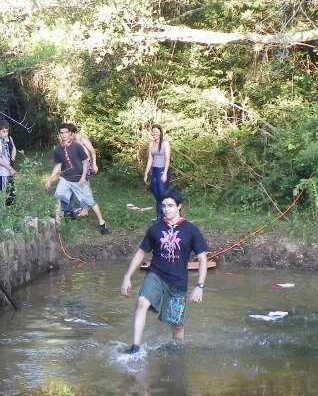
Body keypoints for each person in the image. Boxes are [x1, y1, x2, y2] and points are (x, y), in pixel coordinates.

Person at [120, 189, 208, 353]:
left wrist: (200, 286)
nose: (166, 209)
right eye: (163, 206)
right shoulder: (155, 229)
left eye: (170, 205)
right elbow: (141, 252)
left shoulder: (191, 230)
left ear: (179, 206)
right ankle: (135, 347)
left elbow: (202, 259)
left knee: (177, 326)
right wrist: (127, 276)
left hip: (177, 282)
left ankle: (178, 353)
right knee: (142, 302)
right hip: (156, 274)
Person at [45, 123, 109, 235]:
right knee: (58, 198)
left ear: (70, 133)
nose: (64, 135)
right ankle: (58, 225)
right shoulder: (58, 149)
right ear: (59, 134)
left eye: (66, 132)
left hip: (79, 179)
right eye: (61, 133)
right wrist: (50, 179)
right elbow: (58, 165)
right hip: (65, 179)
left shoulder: (77, 146)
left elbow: (85, 162)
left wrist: (83, 177)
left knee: (90, 202)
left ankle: (102, 222)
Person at [143, 124, 172, 222]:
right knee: (157, 197)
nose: (155, 133)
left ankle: (165, 218)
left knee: (163, 197)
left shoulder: (165, 142)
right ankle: (159, 219)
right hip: (155, 171)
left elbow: (167, 159)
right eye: (153, 132)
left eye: (157, 131)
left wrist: (165, 173)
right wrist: (146, 173)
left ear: (160, 132)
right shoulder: (151, 143)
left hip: (162, 170)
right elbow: (150, 159)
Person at [0, 119, 17, 206]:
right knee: (2, 195)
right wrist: (10, 168)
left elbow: (13, 148)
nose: (5, 133)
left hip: (8, 171)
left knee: (11, 193)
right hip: (1, 172)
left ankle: (11, 210)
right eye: (3, 131)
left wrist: (13, 155)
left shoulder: (7, 138)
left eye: (7, 131)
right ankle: (2, 210)